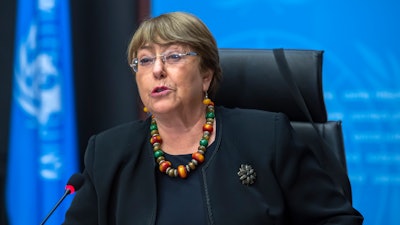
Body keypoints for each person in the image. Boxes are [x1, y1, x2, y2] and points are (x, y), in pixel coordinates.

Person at [63, 11, 363, 225]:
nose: (157, 70)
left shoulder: (265, 137)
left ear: (206, 75)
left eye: (173, 56)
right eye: (144, 60)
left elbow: (337, 219)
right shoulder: (108, 151)